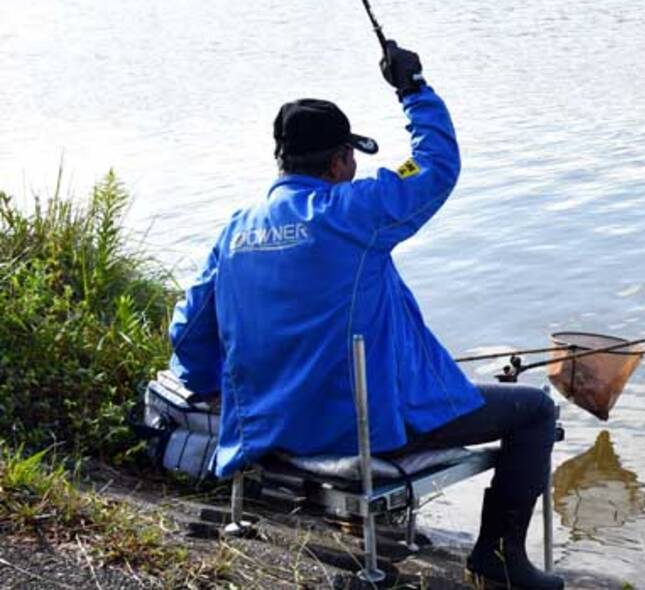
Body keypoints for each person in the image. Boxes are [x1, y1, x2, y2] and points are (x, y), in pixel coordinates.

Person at [167, 41, 564, 590]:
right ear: (338, 164)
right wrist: (413, 88)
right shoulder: (354, 213)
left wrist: (218, 392)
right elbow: (436, 166)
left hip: (266, 428)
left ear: (282, 160)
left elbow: (188, 333)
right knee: (535, 410)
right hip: (356, 433)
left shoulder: (236, 230)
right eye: (351, 159)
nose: (354, 168)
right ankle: (497, 557)